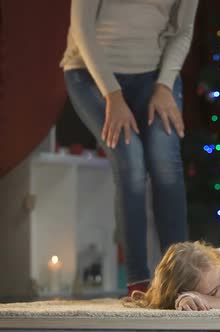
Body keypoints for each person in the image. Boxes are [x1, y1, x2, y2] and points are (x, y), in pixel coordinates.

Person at [60, 0, 199, 295]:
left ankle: (182, 280)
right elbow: (81, 28)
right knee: (131, 164)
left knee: (165, 165)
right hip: (90, 74)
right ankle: (139, 281)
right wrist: (113, 95)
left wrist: (164, 86)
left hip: (156, 77)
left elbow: (182, 31)